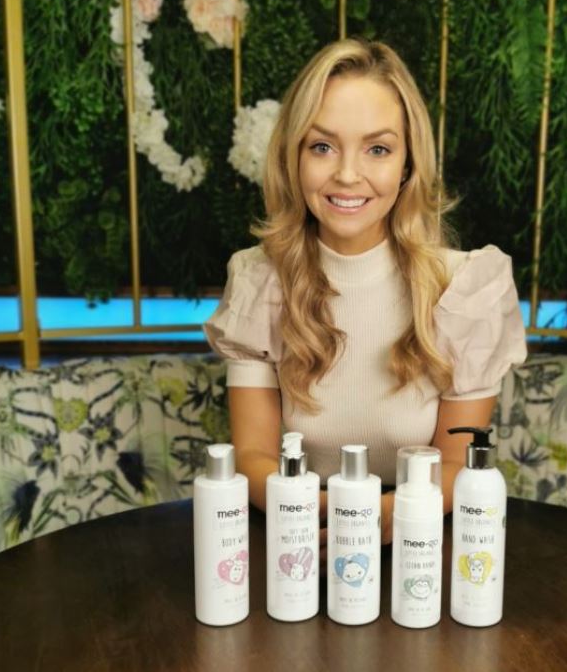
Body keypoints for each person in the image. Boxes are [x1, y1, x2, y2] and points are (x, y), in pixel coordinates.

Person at [204, 38, 526, 551]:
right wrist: (333, 517)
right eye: (322, 146)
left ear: (407, 164)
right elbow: (255, 459)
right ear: (293, 157)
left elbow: (453, 468)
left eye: (377, 148)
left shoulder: (466, 289)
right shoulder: (260, 282)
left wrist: (370, 518)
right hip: (300, 539)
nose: (347, 174)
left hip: (420, 549)